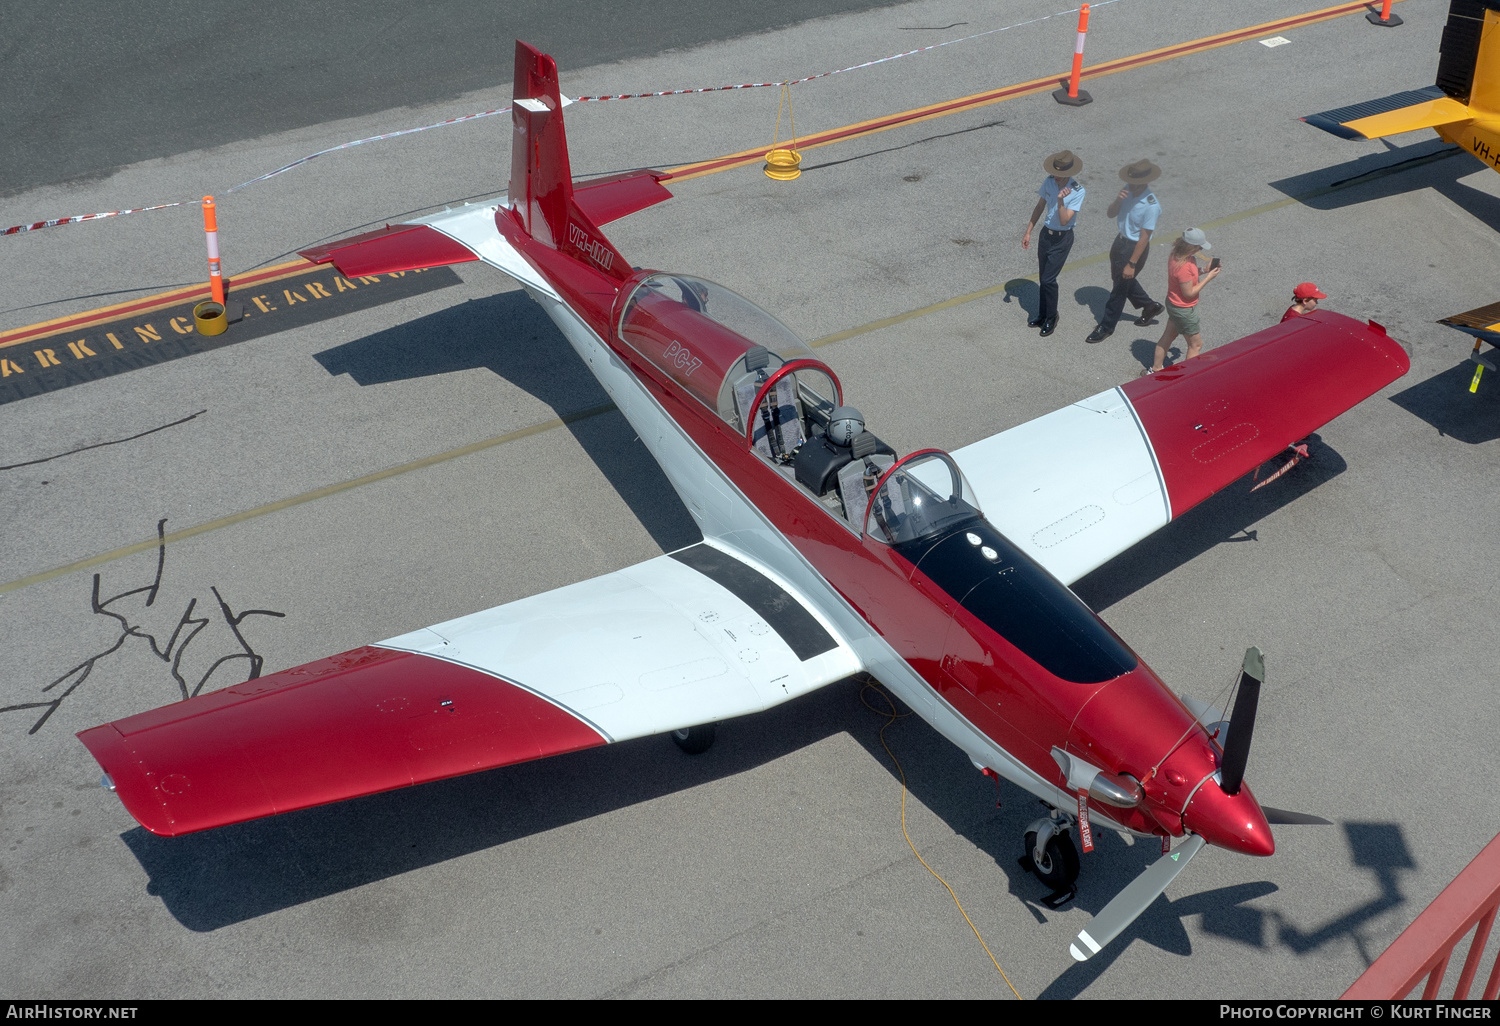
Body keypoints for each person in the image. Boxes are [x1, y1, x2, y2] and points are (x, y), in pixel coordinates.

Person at [1087, 160, 1166, 344]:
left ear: (1144, 181)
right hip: (1120, 241)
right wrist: (1118, 200)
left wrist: (1132, 263)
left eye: (1133, 181)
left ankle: (1106, 326)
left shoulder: (1151, 205)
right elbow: (1110, 214)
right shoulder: (1127, 190)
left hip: (1134, 247)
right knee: (1120, 279)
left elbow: (1144, 237)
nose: (1129, 183)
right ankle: (1149, 306)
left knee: (1118, 290)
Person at [1022, 150, 1086, 337]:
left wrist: (1060, 201)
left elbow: (1065, 220)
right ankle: (1042, 315)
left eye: (1060, 174)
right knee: (1044, 278)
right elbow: (1040, 206)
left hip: (1062, 238)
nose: (1056, 177)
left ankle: (1052, 317)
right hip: (1046, 235)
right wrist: (1028, 231)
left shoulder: (1077, 191)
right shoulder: (1049, 181)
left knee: (1049, 279)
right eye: (1055, 172)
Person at [1145, 228, 1220, 374]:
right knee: (1196, 345)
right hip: (1184, 309)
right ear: (1192, 247)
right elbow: (1189, 293)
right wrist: (1208, 278)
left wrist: (1204, 270)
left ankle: (1155, 369)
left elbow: (1189, 277)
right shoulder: (1183, 267)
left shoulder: (1177, 255)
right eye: (1199, 246)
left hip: (1173, 303)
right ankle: (1188, 377)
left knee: (1168, 336)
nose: (1200, 249)